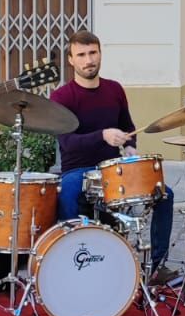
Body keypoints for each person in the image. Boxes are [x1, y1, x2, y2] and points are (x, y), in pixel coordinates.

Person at [49, 31, 177, 284]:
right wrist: (102, 136)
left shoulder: (114, 89)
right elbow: (68, 143)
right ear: (71, 60)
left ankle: (157, 266)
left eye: (93, 53)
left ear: (100, 54)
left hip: (114, 170)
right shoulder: (62, 97)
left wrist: (130, 145)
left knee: (165, 194)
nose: (89, 60)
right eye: (82, 55)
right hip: (79, 171)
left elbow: (127, 127)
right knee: (68, 190)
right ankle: (70, 260)